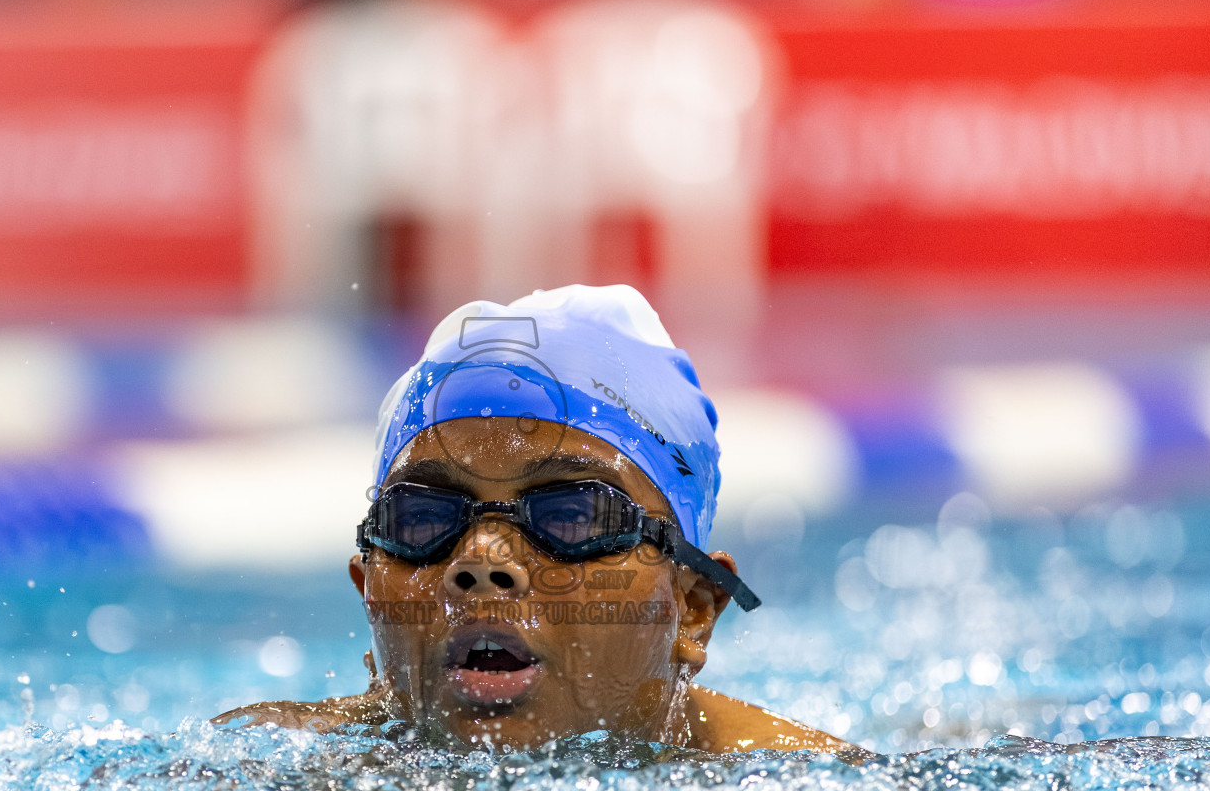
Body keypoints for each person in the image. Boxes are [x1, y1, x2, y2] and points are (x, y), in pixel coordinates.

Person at [215, 285, 854, 755]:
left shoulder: (809, 790)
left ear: (691, 608)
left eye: (571, 515)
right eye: (424, 518)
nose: (481, 561)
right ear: (369, 593)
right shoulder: (269, 763)